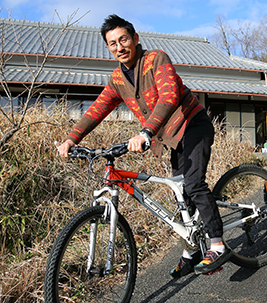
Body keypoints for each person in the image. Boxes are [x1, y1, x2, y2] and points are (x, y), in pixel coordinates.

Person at [57, 14, 231, 277]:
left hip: (193, 124)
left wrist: (146, 131)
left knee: (194, 184)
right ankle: (192, 250)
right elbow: (97, 109)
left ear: (135, 38)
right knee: (181, 193)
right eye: (112, 43)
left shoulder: (155, 59)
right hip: (171, 137)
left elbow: (170, 95)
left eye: (123, 39)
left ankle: (217, 244)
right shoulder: (117, 79)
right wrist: (72, 138)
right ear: (108, 47)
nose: (119, 47)